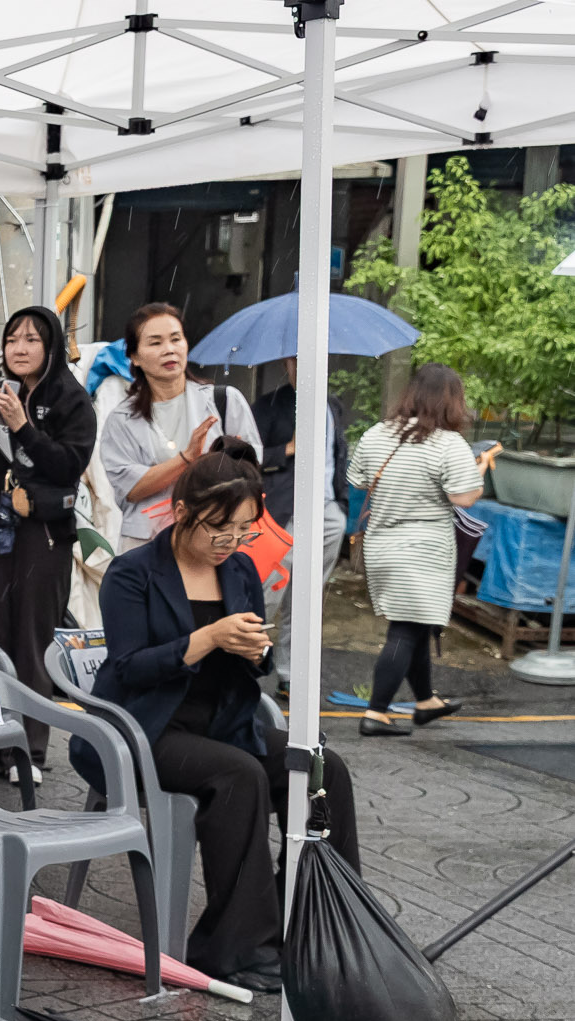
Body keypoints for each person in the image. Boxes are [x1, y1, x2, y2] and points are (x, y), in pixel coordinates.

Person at [85, 449, 360, 987]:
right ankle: (232, 948)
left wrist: (254, 651)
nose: (230, 543)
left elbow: (259, 664)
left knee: (324, 769)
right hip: (148, 728)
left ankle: (321, 922)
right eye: (219, 529)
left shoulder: (238, 569)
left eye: (243, 531)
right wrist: (206, 638)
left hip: (225, 719)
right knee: (240, 775)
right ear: (182, 509)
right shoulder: (133, 572)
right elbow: (128, 668)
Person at [0, 305, 97, 773]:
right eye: (13, 339)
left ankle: (30, 750)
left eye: (32, 339)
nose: (20, 348)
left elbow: (67, 466)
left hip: (42, 531)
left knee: (31, 637)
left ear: (51, 347)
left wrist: (23, 428)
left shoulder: (71, 400)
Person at [349, 364, 486, 738]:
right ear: (452, 401)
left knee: (414, 622)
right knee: (406, 630)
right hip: (423, 550)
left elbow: (358, 479)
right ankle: (375, 713)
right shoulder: (447, 443)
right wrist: (482, 469)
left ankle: (425, 702)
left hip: (382, 544)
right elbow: (464, 497)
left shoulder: (377, 433)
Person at [97, 301, 260, 555]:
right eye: (155, 342)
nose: (169, 349)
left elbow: (252, 472)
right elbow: (132, 489)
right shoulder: (120, 420)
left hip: (218, 545)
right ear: (135, 357)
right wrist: (187, 459)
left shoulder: (225, 401)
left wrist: (230, 463)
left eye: (176, 339)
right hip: (149, 548)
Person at [253, 366, 348, 689]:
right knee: (267, 593)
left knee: (308, 599)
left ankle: (291, 676)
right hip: (283, 514)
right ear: (287, 364)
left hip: (327, 513)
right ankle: (245, 667)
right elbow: (247, 454)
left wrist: (341, 506)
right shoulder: (269, 405)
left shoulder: (332, 404)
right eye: (296, 359)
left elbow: (339, 456)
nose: (304, 364)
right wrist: (289, 448)